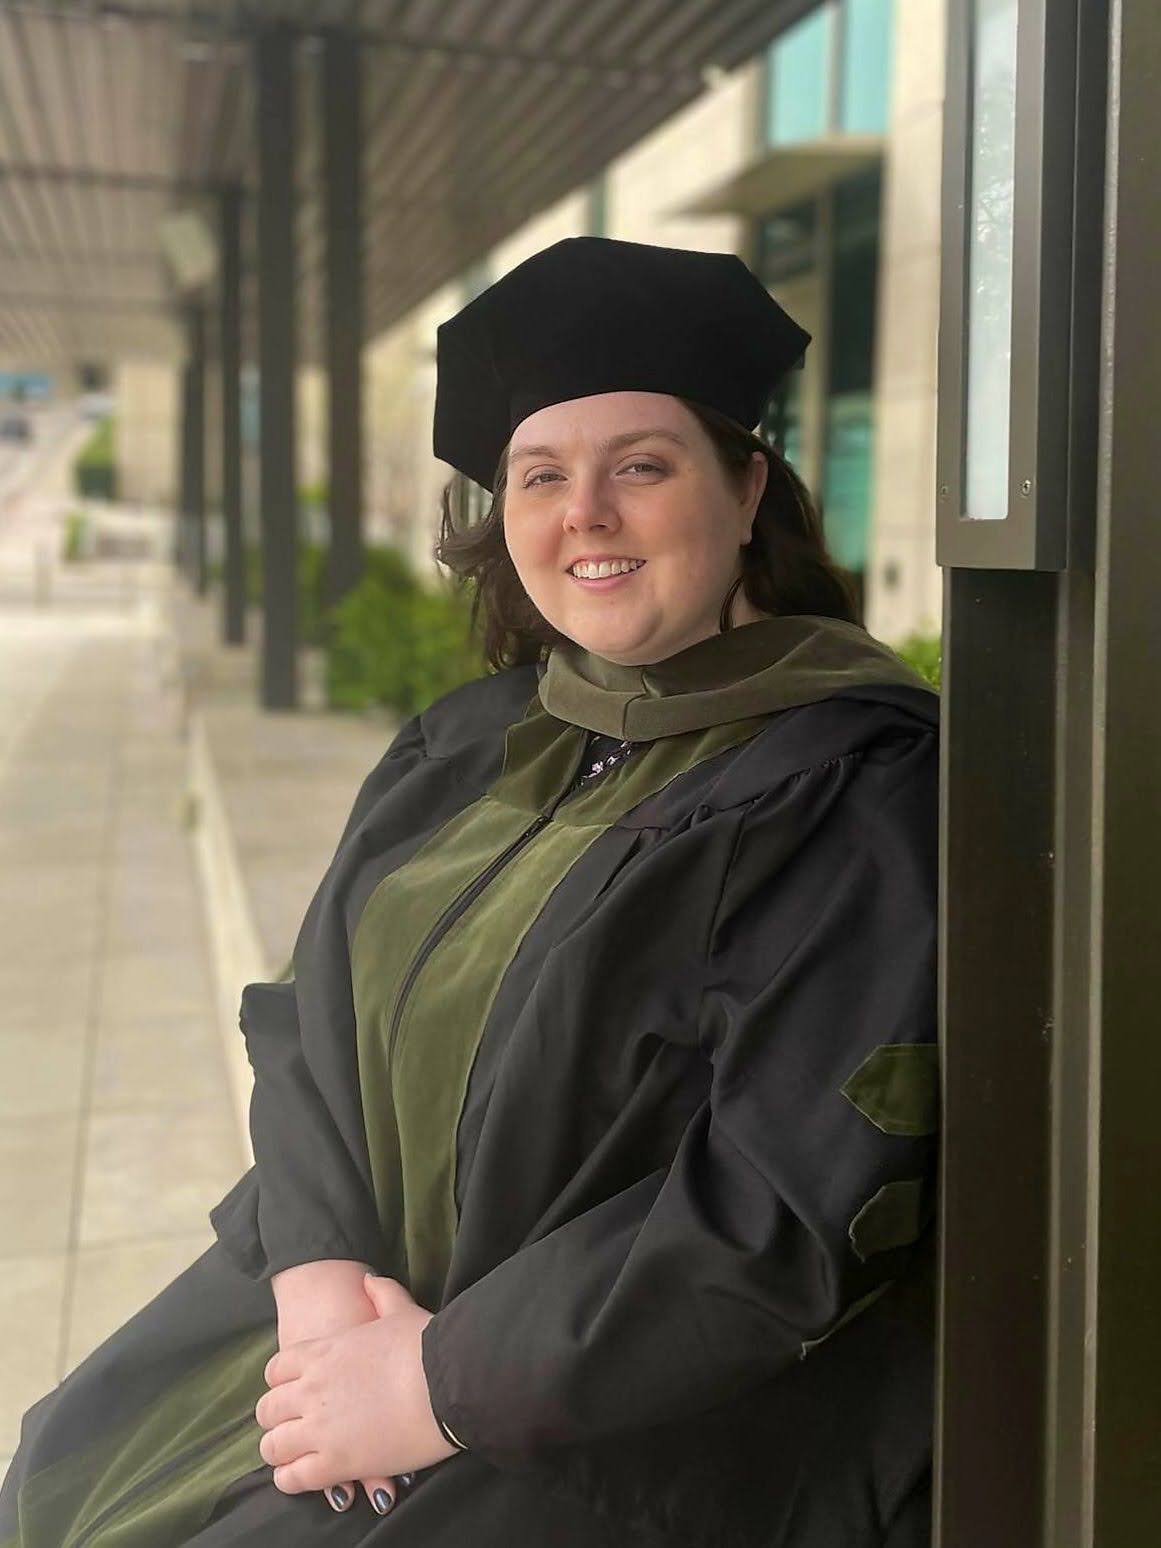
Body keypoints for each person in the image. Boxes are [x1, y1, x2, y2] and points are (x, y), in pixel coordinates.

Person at [0, 236, 939, 1548]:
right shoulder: (468, 743)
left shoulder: (853, 788)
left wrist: (434, 1384)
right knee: (65, 1468)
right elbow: (306, 1019)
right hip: (350, 1316)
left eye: (641, 466)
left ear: (746, 491)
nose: (584, 513)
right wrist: (317, 1271)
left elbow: (785, 1203)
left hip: (613, 1417)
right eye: (541, 475)